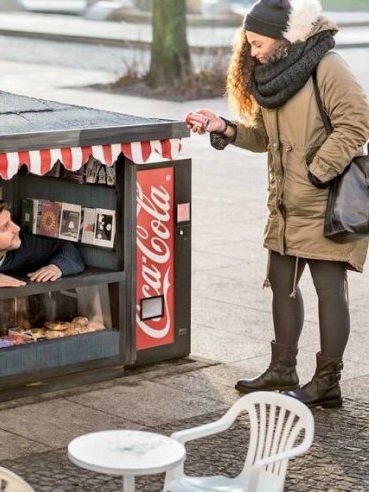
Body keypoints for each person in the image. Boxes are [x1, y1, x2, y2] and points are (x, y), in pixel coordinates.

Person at [188, 0, 369, 408]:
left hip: (327, 202)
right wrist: (224, 128)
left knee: (329, 290)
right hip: (286, 204)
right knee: (281, 284)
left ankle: (327, 383)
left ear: (283, 37)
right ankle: (282, 369)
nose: (253, 53)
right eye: (249, 44)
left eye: (258, 43)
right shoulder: (274, 74)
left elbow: (356, 123)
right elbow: (265, 138)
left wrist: (317, 171)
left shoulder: (327, 65)